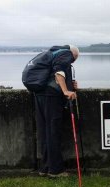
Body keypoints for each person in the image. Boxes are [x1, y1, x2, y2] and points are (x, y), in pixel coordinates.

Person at [35, 45, 79, 177]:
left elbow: (55, 74)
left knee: (44, 132)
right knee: (53, 132)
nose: (72, 61)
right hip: (52, 98)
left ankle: (45, 167)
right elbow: (59, 73)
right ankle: (56, 170)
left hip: (40, 95)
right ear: (74, 54)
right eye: (74, 59)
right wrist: (66, 91)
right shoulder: (67, 54)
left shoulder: (51, 54)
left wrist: (71, 85)